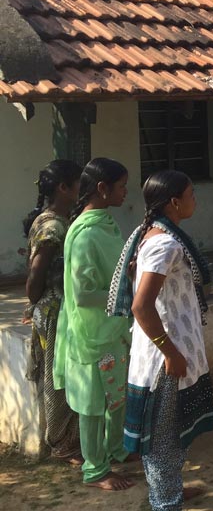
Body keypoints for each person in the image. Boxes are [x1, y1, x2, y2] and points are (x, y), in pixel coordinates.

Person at [108, 170, 213, 511]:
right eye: (191, 194)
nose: (194, 200)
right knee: (163, 441)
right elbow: (141, 305)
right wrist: (170, 352)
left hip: (173, 352)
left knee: (173, 432)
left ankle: (171, 492)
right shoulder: (164, 243)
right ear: (174, 202)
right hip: (164, 360)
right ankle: (165, 502)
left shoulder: (155, 236)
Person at [54, 158, 134, 490]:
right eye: (121, 186)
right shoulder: (87, 234)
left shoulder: (105, 224)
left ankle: (115, 451)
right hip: (92, 333)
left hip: (112, 328)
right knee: (93, 405)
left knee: (117, 396)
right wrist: (125, 293)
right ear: (102, 189)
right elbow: (84, 294)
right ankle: (95, 469)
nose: (125, 192)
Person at [22, 159, 83, 465]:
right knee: (56, 377)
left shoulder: (53, 218)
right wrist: (35, 302)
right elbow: (35, 275)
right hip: (54, 311)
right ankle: (62, 443)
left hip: (55, 306)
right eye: (78, 183)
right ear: (64, 188)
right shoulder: (53, 227)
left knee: (63, 373)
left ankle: (70, 439)